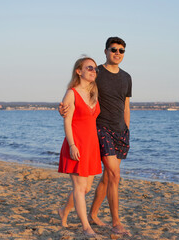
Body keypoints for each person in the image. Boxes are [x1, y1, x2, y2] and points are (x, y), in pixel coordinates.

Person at [59, 37, 132, 235]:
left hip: (108, 136)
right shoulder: (94, 75)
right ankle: (104, 224)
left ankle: (70, 211)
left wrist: (126, 128)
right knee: (111, 175)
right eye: (114, 49)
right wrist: (63, 110)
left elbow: (125, 105)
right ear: (106, 51)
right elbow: (71, 105)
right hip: (93, 134)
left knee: (96, 183)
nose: (118, 53)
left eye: (121, 50)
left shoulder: (121, 79)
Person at [58, 57, 102, 237]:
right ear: (79, 71)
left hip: (92, 145)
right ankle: (86, 228)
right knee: (79, 187)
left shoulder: (94, 92)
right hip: (76, 143)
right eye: (89, 68)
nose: (93, 71)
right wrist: (72, 145)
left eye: (95, 69)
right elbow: (67, 122)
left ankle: (63, 210)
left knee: (86, 188)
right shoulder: (71, 93)